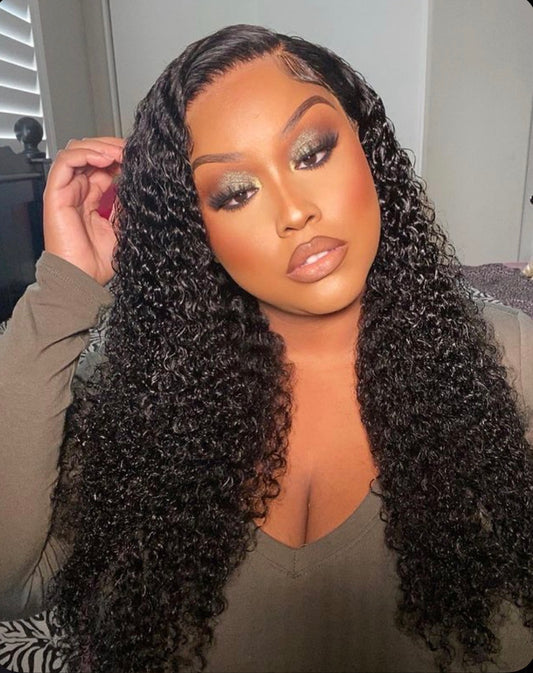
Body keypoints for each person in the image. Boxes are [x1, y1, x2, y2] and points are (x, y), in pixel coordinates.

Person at [1, 23, 533, 673]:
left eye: (311, 152)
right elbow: (12, 579)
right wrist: (65, 284)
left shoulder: (510, 358)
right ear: (198, 230)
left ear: (367, 147)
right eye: (235, 192)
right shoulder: (146, 395)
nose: (292, 211)